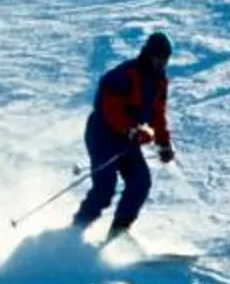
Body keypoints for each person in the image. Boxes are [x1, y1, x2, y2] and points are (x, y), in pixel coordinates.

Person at [74, 31, 174, 240]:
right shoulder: (125, 74)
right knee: (105, 189)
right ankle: (74, 233)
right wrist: (130, 129)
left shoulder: (160, 81)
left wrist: (164, 143)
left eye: (165, 59)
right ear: (149, 55)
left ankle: (118, 233)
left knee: (141, 181)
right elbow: (109, 107)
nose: (162, 64)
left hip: (128, 139)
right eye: (159, 58)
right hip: (103, 134)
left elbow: (157, 113)